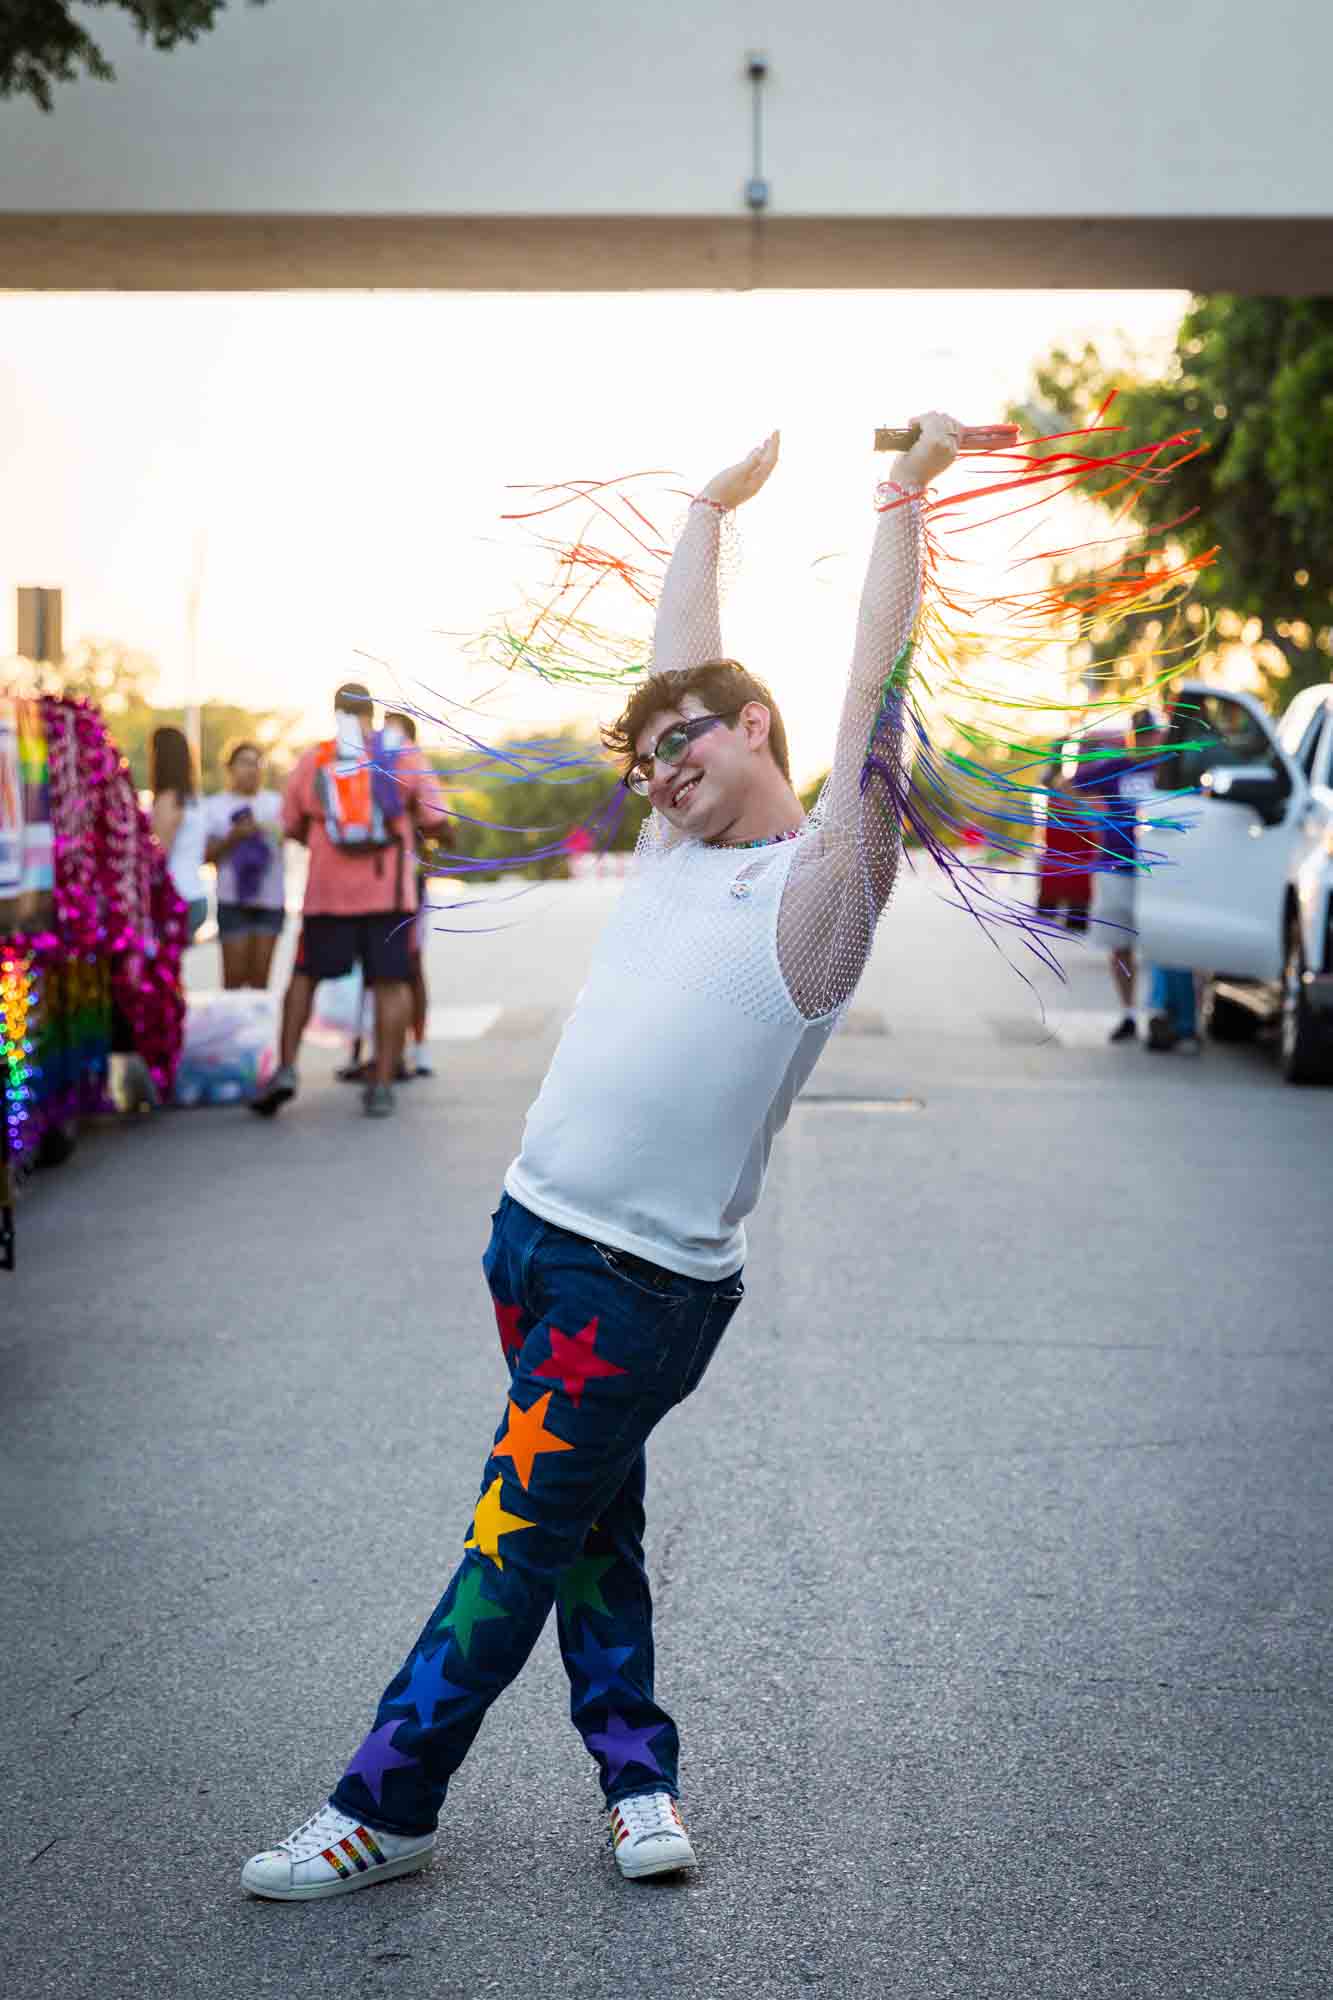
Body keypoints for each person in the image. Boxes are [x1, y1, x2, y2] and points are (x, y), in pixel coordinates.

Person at [240, 414, 963, 1901]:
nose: (659, 775)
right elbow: (673, 665)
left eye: (678, 745)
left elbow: (869, 695)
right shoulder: (678, 853)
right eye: (640, 765)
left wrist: (901, 498)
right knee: (586, 1522)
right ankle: (637, 1778)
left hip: (643, 1287)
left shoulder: (826, 889)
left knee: (513, 1533)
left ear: (754, 725)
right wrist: (703, 510)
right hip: (528, 1239)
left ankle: (388, 1800)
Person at [250, 682, 447, 1120]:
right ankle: (381, 1084)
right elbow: (435, 818)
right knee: (390, 985)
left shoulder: (315, 758)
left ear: (334, 712)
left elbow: (290, 824)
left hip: (326, 897)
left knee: (304, 976)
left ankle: (285, 1070)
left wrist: (325, 846)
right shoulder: (400, 755)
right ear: (372, 713)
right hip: (389, 895)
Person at [335, 709, 446, 1083]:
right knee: (378, 971)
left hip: (405, 882)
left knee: (405, 968)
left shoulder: (409, 764)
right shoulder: (371, 763)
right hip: (381, 883)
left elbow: (438, 822)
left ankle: (412, 1050)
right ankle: (371, 1052)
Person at [202, 739, 286, 989]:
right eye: (245, 763)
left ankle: (260, 1029)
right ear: (230, 768)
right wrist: (234, 837)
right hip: (232, 902)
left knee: (261, 981)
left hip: (270, 902)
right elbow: (206, 856)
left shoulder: (277, 804)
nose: (252, 769)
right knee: (233, 979)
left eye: (257, 763)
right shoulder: (214, 806)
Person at [149, 725, 208, 944]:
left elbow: (158, 854)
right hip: (196, 893)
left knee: (163, 971)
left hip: (175, 896)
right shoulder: (194, 800)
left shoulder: (168, 799)